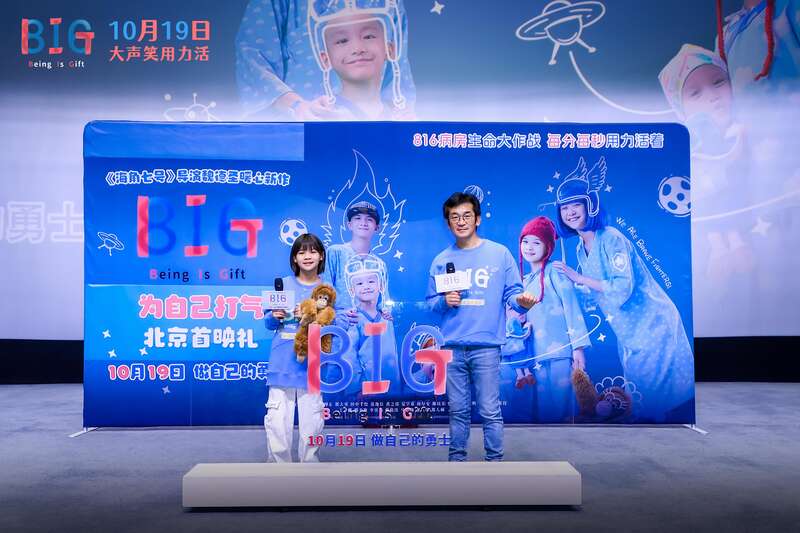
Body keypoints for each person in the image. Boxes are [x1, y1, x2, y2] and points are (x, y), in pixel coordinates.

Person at [550, 169, 695, 422]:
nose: (570, 212)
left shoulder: (611, 238)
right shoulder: (580, 248)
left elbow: (622, 287)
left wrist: (579, 279)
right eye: (564, 208)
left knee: (660, 397)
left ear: (590, 205)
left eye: (576, 205)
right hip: (628, 330)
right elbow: (593, 295)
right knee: (642, 395)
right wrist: (562, 291)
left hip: (652, 323)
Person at [426, 192, 536, 461]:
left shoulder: (499, 254)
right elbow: (431, 303)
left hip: (487, 347)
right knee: (457, 411)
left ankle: (493, 465)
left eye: (466, 215)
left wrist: (522, 304)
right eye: (454, 217)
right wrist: (444, 301)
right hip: (452, 347)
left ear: (477, 219)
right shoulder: (441, 260)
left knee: (489, 411)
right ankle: (457, 464)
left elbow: (513, 294)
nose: (461, 221)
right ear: (448, 223)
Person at [235, 0, 415, 119]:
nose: (357, 49)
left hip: (374, 131)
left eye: (368, 37)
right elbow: (252, 58)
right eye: (342, 41)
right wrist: (298, 106)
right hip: (304, 133)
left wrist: (400, 119)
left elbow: (398, 70)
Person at [518, 216, 590, 423]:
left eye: (536, 242)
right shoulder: (523, 281)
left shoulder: (555, 272)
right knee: (543, 411)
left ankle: (567, 441)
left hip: (560, 352)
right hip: (535, 355)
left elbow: (572, 307)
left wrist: (578, 347)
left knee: (562, 409)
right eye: (525, 241)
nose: (529, 247)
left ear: (548, 246)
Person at [263, 232, 328, 462]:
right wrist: (275, 316)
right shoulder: (282, 284)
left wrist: (312, 316)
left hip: (313, 363)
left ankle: (310, 468)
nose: (307, 256)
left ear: (321, 256)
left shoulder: (327, 288)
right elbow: (268, 323)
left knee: (313, 420)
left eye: (313, 251)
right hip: (282, 360)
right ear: (294, 258)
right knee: (277, 420)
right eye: (301, 252)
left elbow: (335, 322)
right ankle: (279, 470)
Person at [342, 253, 400, 397]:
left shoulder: (387, 318)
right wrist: (357, 388)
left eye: (371, 281)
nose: (366, 287)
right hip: (366, 391)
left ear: (381, 285)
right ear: (351, 290)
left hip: (392, 388)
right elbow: (350, 357)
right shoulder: (354, 320)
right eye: (359, 284)